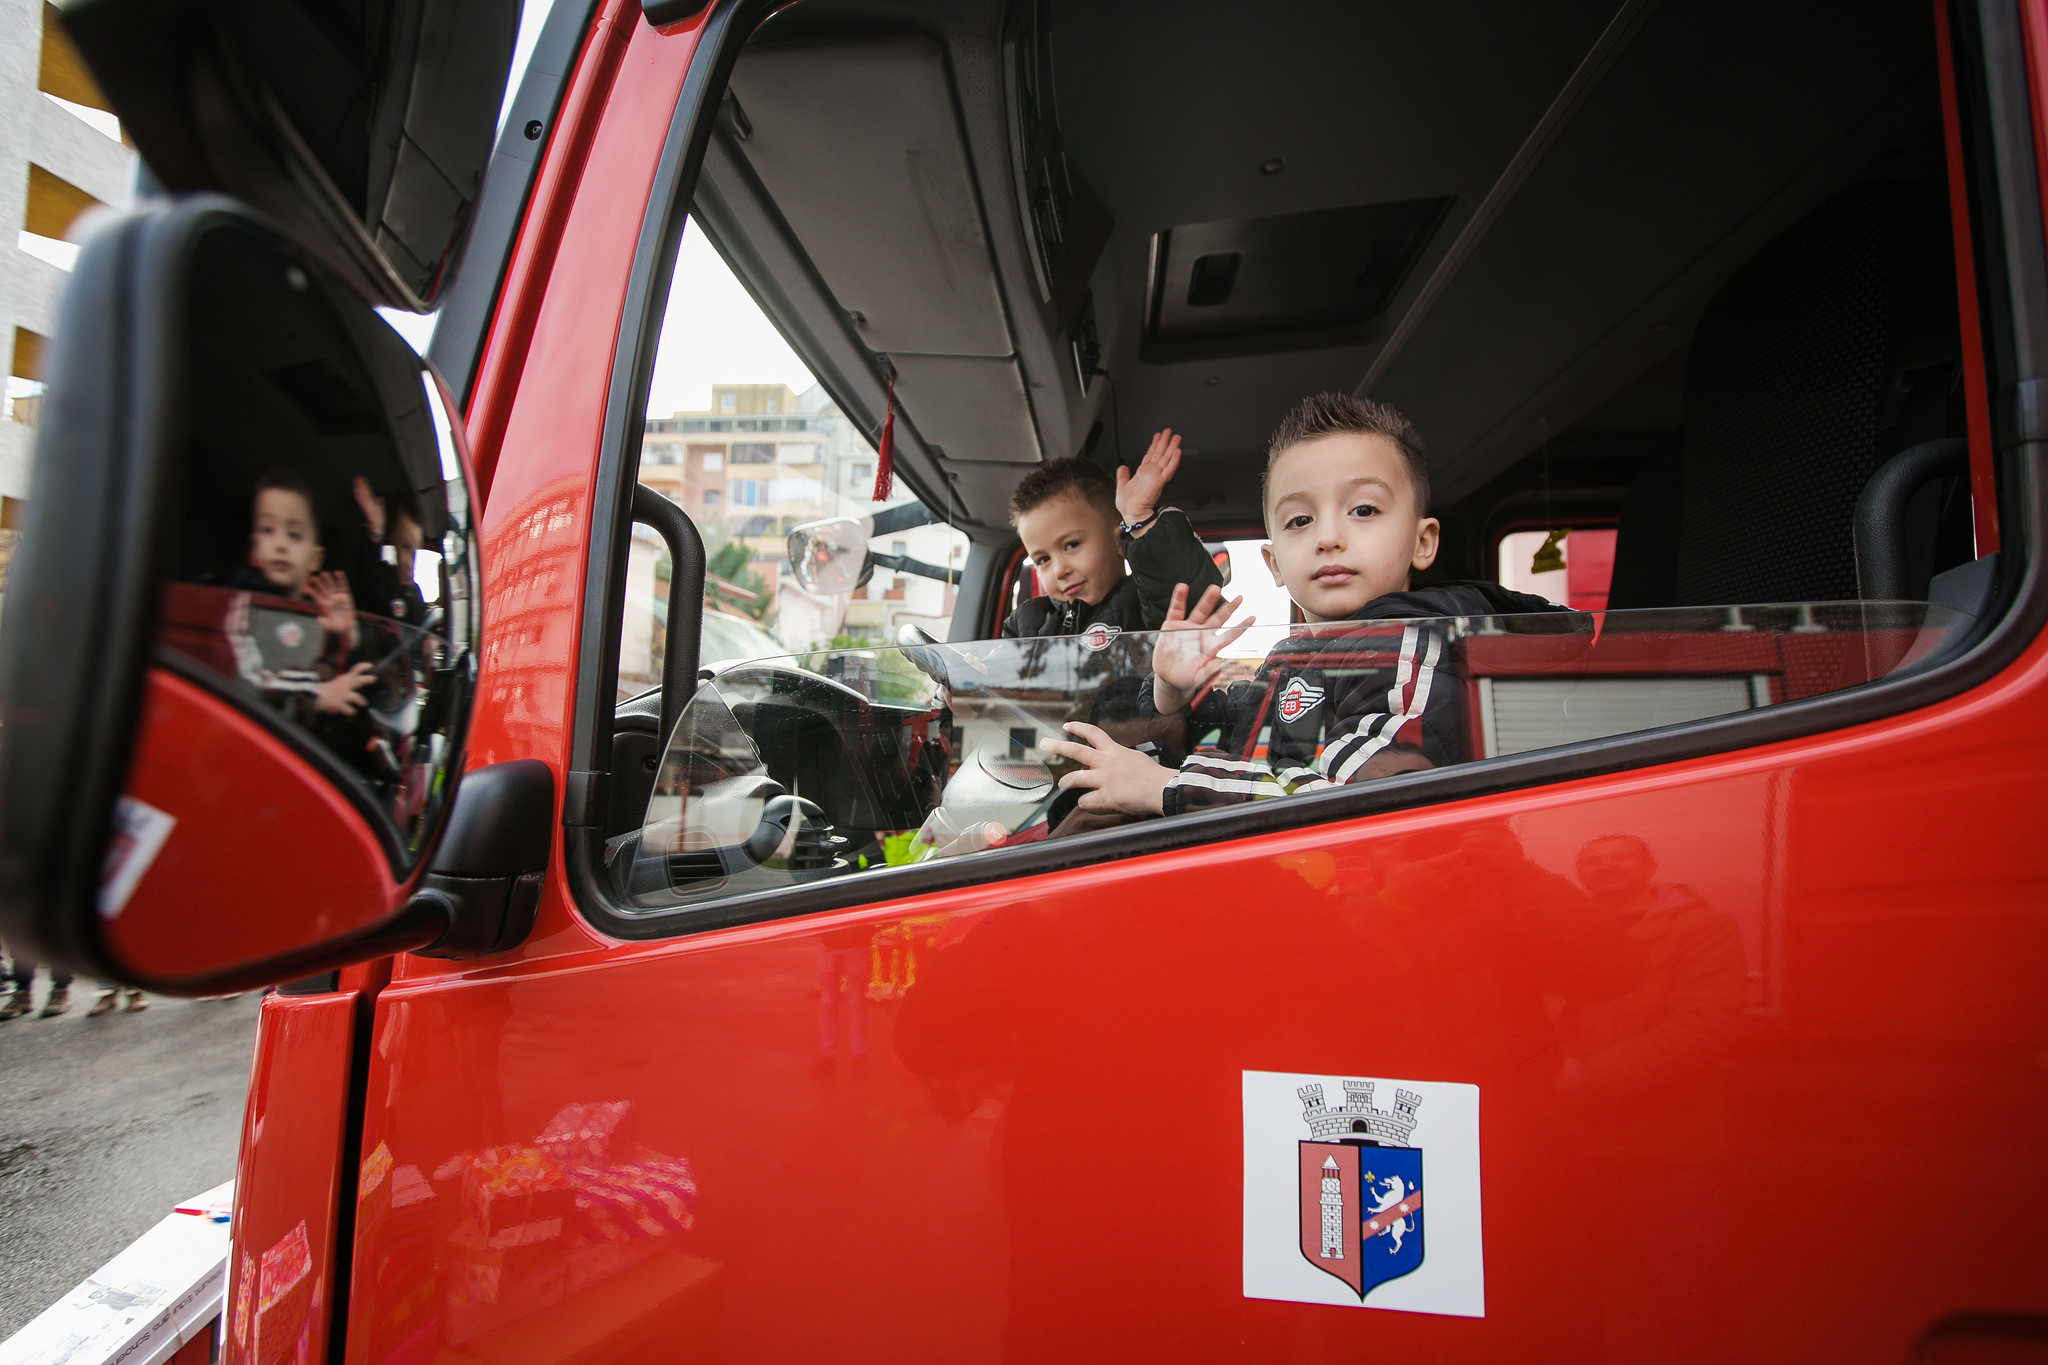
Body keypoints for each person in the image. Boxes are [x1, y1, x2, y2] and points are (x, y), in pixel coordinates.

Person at [1042, 392, 1566, 816]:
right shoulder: (1298, 653)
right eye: (1299, 520)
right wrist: (1174, 694)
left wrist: (1168, 787)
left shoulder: (1412, 648)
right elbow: (1247, 739)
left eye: (1363, 509)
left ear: (1423, 542)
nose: (1328, 537)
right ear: (1273, 563)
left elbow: (1353, 797)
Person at [1000, 428, 1224, 638]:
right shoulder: (1027, 622)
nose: (1059, 571)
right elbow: (1005, 676)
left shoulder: (1144, 604)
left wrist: (1139, 520)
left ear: (1119, 542)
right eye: (1043, 559)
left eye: (1071, 545)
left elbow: (1186, 600)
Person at [230, 467, 377, 720]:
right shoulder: (243, 606)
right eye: (267, 530)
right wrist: (318, 693)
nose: (280, 544)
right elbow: (248, 679)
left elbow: (330, 676)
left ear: (315, 558)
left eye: (294, 534)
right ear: (255, 549)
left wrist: (344, 638)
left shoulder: (314, 617)